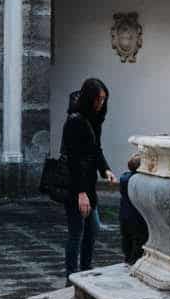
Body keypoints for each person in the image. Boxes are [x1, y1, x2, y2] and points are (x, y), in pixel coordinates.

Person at [60, 77, 116, 278]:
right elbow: (73, 161)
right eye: (98, 99)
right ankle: (71, 276)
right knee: (77, 232)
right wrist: (81, 194)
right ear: (89, 98)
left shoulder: (93, 120)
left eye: (103, 100)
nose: (101, 104)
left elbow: (96, 150)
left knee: (92, 229)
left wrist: (106, 170)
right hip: (76, 186)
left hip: (88, 184)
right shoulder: (75, 122)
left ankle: (83, 271)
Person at [118, 152, 149, 265]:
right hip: (137, 216)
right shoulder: (140, 181)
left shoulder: (124, 177)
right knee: (138, 239)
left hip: (124, 215)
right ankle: (134, 261)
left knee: (126, 238)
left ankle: (127, 259)